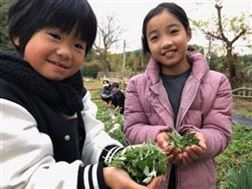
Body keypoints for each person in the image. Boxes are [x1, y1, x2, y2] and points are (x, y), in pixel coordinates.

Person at [0, 0, 163, 188]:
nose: (65, 52)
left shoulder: (73, 90)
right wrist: (102, 178)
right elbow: (25, 179)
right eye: (54, 35)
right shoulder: (7, 95)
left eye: (78, 45)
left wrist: (121, 158)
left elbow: (91, 136)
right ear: (18, 34)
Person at [123, 2, 232, 189]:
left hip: (199, 182)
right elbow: (132, 128)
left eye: (173, 31)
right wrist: (155, 136)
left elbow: (220, 131)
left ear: (188, 33)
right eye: (155, 37)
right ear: (148, 45)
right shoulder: (136, 85)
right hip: (151, 181)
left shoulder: (217, 82)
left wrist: (202, 140)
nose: (166, 43)